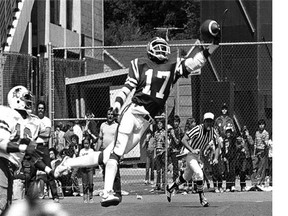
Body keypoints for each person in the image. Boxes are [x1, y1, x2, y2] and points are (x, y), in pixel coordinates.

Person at [55, 31, 220, 207]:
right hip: (133, 112)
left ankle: (69, 162)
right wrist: (117, 105)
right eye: (157, 47)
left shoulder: (173, 66)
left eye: (163, 47)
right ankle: (107, 192)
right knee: (116, 154)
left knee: (105, 156)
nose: (161, 49)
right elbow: (128, 88)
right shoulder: (140, 64)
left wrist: (215, 43)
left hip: (146, 122)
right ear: (150, 49)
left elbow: (196, 62)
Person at [0, 85, 53, 215]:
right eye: (26, 98)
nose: (30, 101)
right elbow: (1, 143)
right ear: (16, 99)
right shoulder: (6, 114)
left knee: (7, 206)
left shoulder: (33, 122)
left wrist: (48, 170)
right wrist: (23, 147)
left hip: (11, 167)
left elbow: (32, 154)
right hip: (1, 161)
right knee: (1, 203)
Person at [166, 112, 221, 207]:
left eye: (210, 121)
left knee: (186, 176)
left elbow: (217, 145)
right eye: (207, 121)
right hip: (190, 154)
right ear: (204, 122)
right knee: (199, 173)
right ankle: (202, 198)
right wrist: (192, 149)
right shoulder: (197, 129)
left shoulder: (213, 131)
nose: (209, 123)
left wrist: (216, 158)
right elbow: (184, 139)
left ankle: (170, 188)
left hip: (197, 156)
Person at [34, 100, 59, 202]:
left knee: (48, 170)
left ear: (44, 110)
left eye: (42, 108)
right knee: (31, 172)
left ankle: (55, 195)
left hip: (44, 148)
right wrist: (40, 132)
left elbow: (47, 134)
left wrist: (37, 133)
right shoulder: (33, 120)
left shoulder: (47, 120)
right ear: (37, 109)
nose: (40, 110)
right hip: (34, 147)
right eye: (39, 108)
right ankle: (29, 196)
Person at [252, 119, 269, 189]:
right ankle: (255, 181)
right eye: (260, 124)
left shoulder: (266, 133)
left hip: (263, 150)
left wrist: (264, 140)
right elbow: (255, 143)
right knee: (255, 166)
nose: (261, 126)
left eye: (262, 124)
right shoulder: (257, 133)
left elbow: (267, 144)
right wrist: (254, 152)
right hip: (257, 150)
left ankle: (261, 182)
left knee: (262, 166)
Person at [168, 115, 184, 182]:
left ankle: (176, 183)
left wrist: (173, 135)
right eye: (175, 122)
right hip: (171, 150)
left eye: (177, 122)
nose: (176, 123)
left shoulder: (179, 131)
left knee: (176, 168)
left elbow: (178, 142)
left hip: (177, 151)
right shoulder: (172, 130)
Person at [79, 136, 95, 203]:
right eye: (85, 143)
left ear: (89, 143)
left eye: (87, 143)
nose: (86, 145)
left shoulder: (91, 151)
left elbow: (93, 159)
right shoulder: (82, 151)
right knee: (85, 184)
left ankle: (91, 197)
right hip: (83, 169)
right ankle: (85, 197)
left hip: (90, 168)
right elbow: (80, 159)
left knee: (90, 183)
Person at [153, 119, 166, 191]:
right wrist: (155, 153)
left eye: (161, 124)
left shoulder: (164, 132)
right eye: (158, 124)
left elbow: (166, 142)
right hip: (157, 151)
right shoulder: (155, 133)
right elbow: (155, 143)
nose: (159, 125)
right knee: (158, 170)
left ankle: (164, 184)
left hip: (163, 151)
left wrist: (164, 150)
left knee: (163, 169)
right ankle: (158, 184)